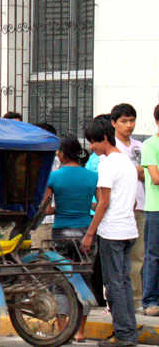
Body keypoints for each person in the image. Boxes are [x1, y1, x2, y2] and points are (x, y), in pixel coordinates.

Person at [83, 117, 138, 347]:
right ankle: (128, 332)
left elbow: (103, 202)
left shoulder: (107, 163)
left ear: (104, 138)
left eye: (93, 143)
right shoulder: (126, 161)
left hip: (112, 232)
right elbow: (131, 201)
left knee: (114, 285)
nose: (91, 148)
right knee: (123, 283)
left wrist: (90, 233)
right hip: (128, 229)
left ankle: (124, 335)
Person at [42, 135, 95, 341]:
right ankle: (81, 331)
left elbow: (46, 209)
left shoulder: (54, 177)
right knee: (84, 279)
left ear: (61, 154)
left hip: (61, 232)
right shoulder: (92, 176)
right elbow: (98, 204)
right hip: (85, 232)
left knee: (60, 281)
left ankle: (63, 328)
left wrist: (59, 207)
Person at [110, 103, 147, 309]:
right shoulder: (113, 147)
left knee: (138, 256)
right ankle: (117, 300)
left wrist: (136, 171)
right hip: (119, 208)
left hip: (140, 204)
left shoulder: (138, 146)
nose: (129, 125)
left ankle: (136, 299)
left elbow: (147, 173)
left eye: (131, 121)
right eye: (124, 121)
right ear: (114, 123)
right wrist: (136, 171)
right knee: (117, 258)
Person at [143, 104, 159, 317]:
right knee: (154, 255)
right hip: (156, 209)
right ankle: (150, 301)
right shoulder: (150, 145)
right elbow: (156, 178)